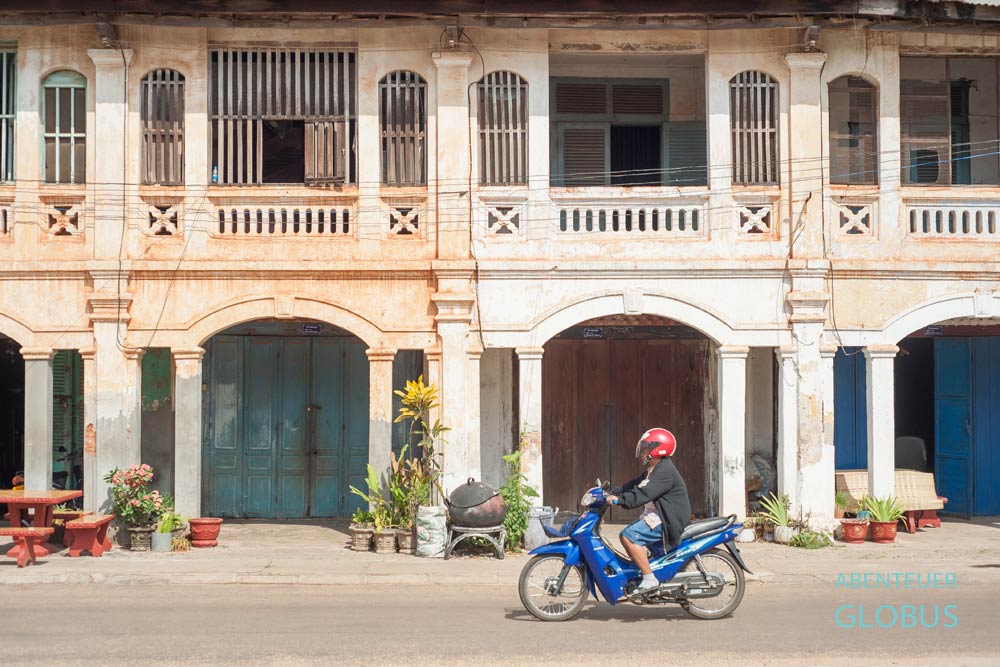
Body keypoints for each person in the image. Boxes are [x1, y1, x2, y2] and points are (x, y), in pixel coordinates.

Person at [606, 428, 691, 594]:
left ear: (658, 449)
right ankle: (643, 569)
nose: (643, 453)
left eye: (646, 449)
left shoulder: (664, 470)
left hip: (667, 519)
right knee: (629, 536)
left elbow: (644, 493)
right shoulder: (654, 468)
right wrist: (613, 492)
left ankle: (649, 578)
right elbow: (633, 485)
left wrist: (621, 500)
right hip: (657, 515)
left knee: (628, 536)